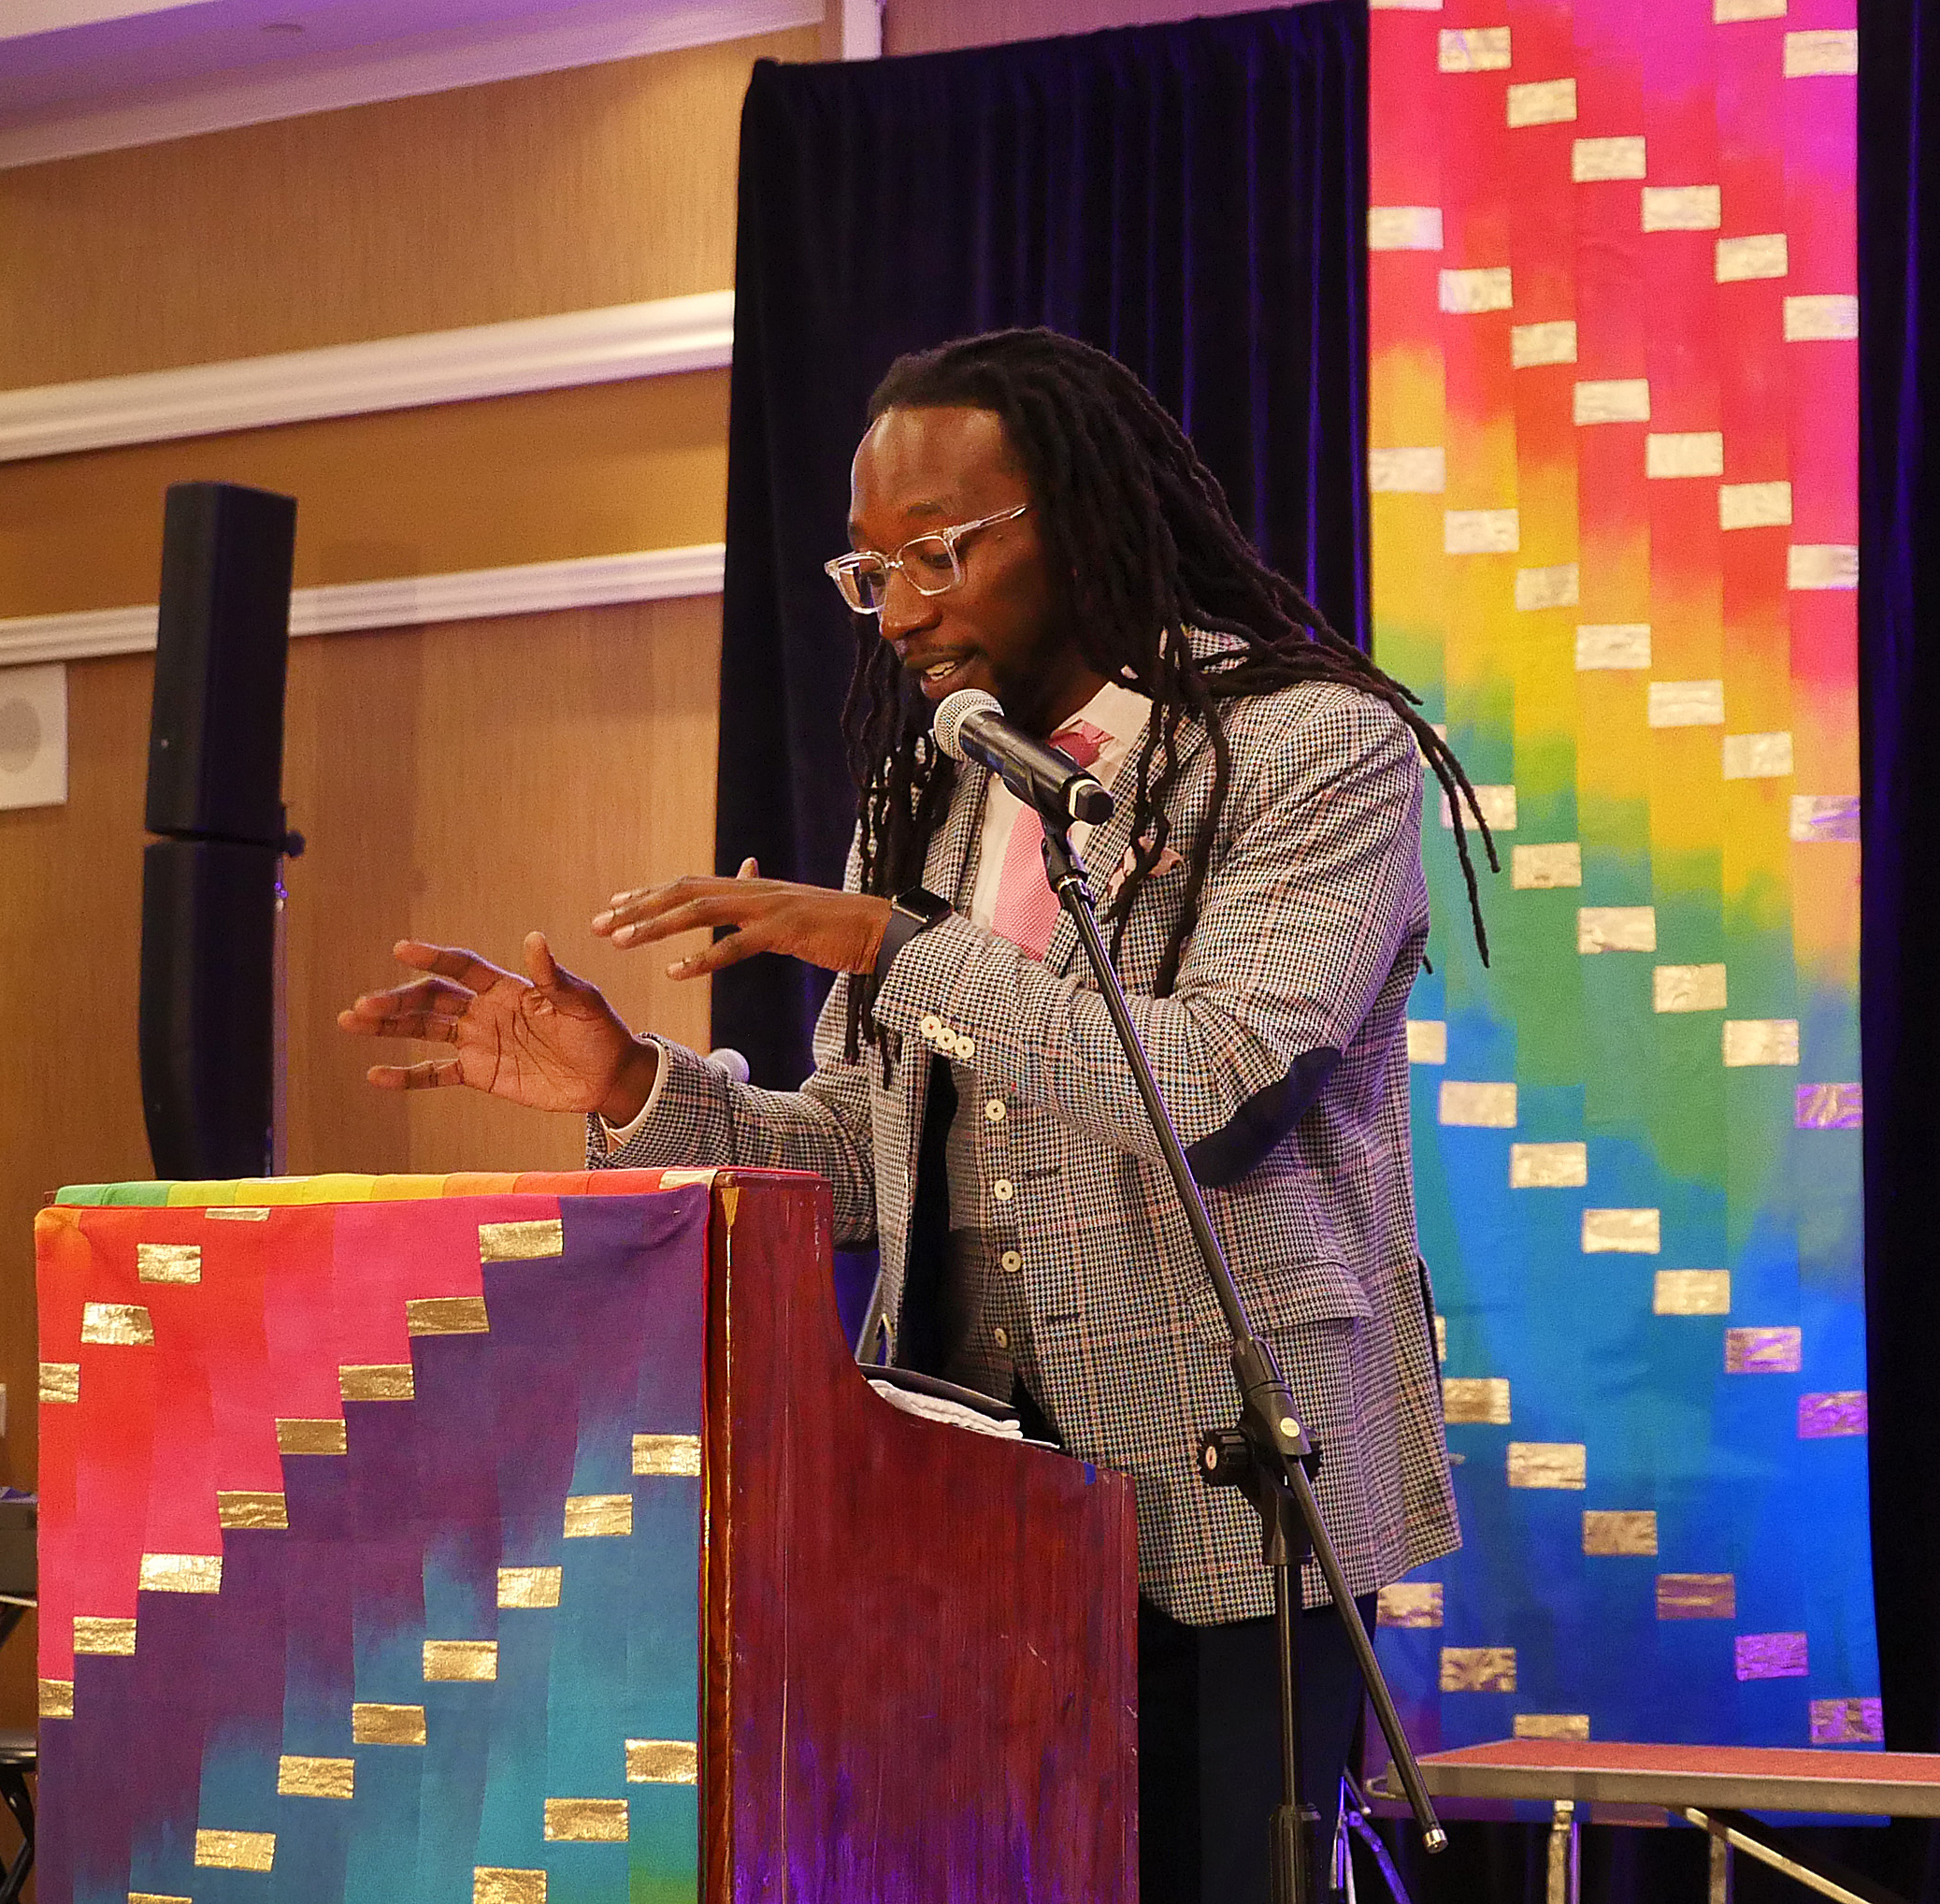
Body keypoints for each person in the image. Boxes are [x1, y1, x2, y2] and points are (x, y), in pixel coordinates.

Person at [338, 327, 1489, 1903]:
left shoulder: (1305, 748)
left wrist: (899, 944)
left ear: (1083, 511)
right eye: (866, 570)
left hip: (1222, 1495)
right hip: (953, 1495)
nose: (903, 608)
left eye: (941, 550)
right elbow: (868, 1163)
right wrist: (627, 1086)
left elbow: (1213, 1089)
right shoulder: (941, 789)